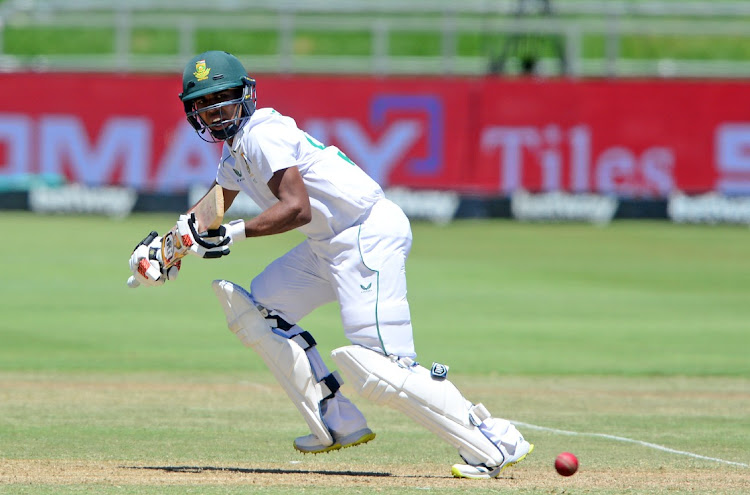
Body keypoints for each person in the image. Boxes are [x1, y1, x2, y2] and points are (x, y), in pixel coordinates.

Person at [127, 50, 533, 479]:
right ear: (194, 115)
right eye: (207, 106)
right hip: (326, 245)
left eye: (225, 99)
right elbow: (207, 213)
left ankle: (493, 442)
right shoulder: (236, 154)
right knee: (260, 308)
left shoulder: (262, 134)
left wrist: (233, 234)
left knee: (382, 368)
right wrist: (165, 252)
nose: (218, 113)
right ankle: (336, 421)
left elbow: (296, 209)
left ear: (245, 95)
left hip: (364, 235)